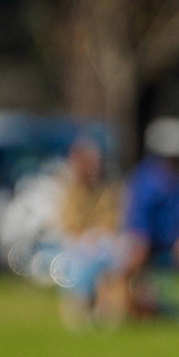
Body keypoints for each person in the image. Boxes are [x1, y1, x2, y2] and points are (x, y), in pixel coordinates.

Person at [117, 122, 179, 317]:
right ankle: (122, 306)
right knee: (133, 252)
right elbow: (136, 227)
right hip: (145, 239)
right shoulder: (142, 181)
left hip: (176, 241)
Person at [51, 138, 121, 329]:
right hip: (74, 243)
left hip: (100, 242)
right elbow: (67, 224)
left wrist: (97, 234)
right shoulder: (69, 189)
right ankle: (81, 306)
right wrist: (84, 237)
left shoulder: (106, 188)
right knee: (81, 260)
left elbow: (111, 219)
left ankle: (104, 308)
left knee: (108, 254)